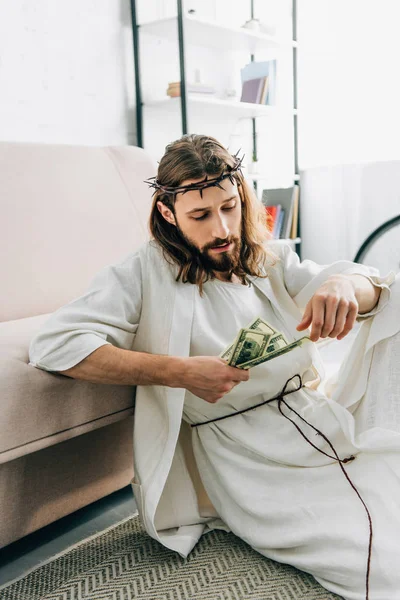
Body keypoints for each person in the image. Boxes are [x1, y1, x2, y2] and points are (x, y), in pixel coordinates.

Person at [29, 134, 399, 600]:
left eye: (229, 207)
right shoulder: (142, 272)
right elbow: (55, 344)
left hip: (318, 415)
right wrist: (177, 372)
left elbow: (374, 290)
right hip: (244, 455)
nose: (222, 227)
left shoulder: (268, 258)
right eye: (200, 216)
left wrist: (346, 285)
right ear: (168, 213)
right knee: (374, 552)